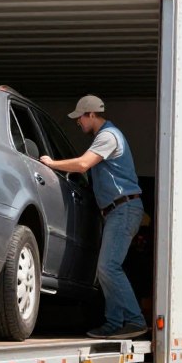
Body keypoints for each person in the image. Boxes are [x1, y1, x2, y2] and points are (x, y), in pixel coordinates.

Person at [39, 94, 147, 340]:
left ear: (90, 114)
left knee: (108, 267)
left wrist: (51, 163)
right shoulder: (106, 136)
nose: (78, 123)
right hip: (117, 210)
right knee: (108, 269)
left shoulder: (108, 136)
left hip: (123, 208)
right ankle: (114, 324)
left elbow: (83, 165)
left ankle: (134, 320)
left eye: (80, 118)